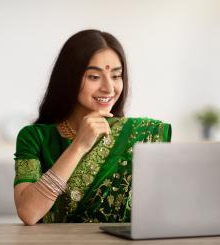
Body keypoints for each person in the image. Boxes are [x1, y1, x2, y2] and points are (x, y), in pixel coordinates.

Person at [13, 29, 172, 225]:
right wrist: (78, 146)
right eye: (94, 77)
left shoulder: (142, 135)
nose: (109, 88)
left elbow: (165, 209)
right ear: (69, 78)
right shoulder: (34, 137)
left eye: (116, 76)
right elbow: (29, 213)